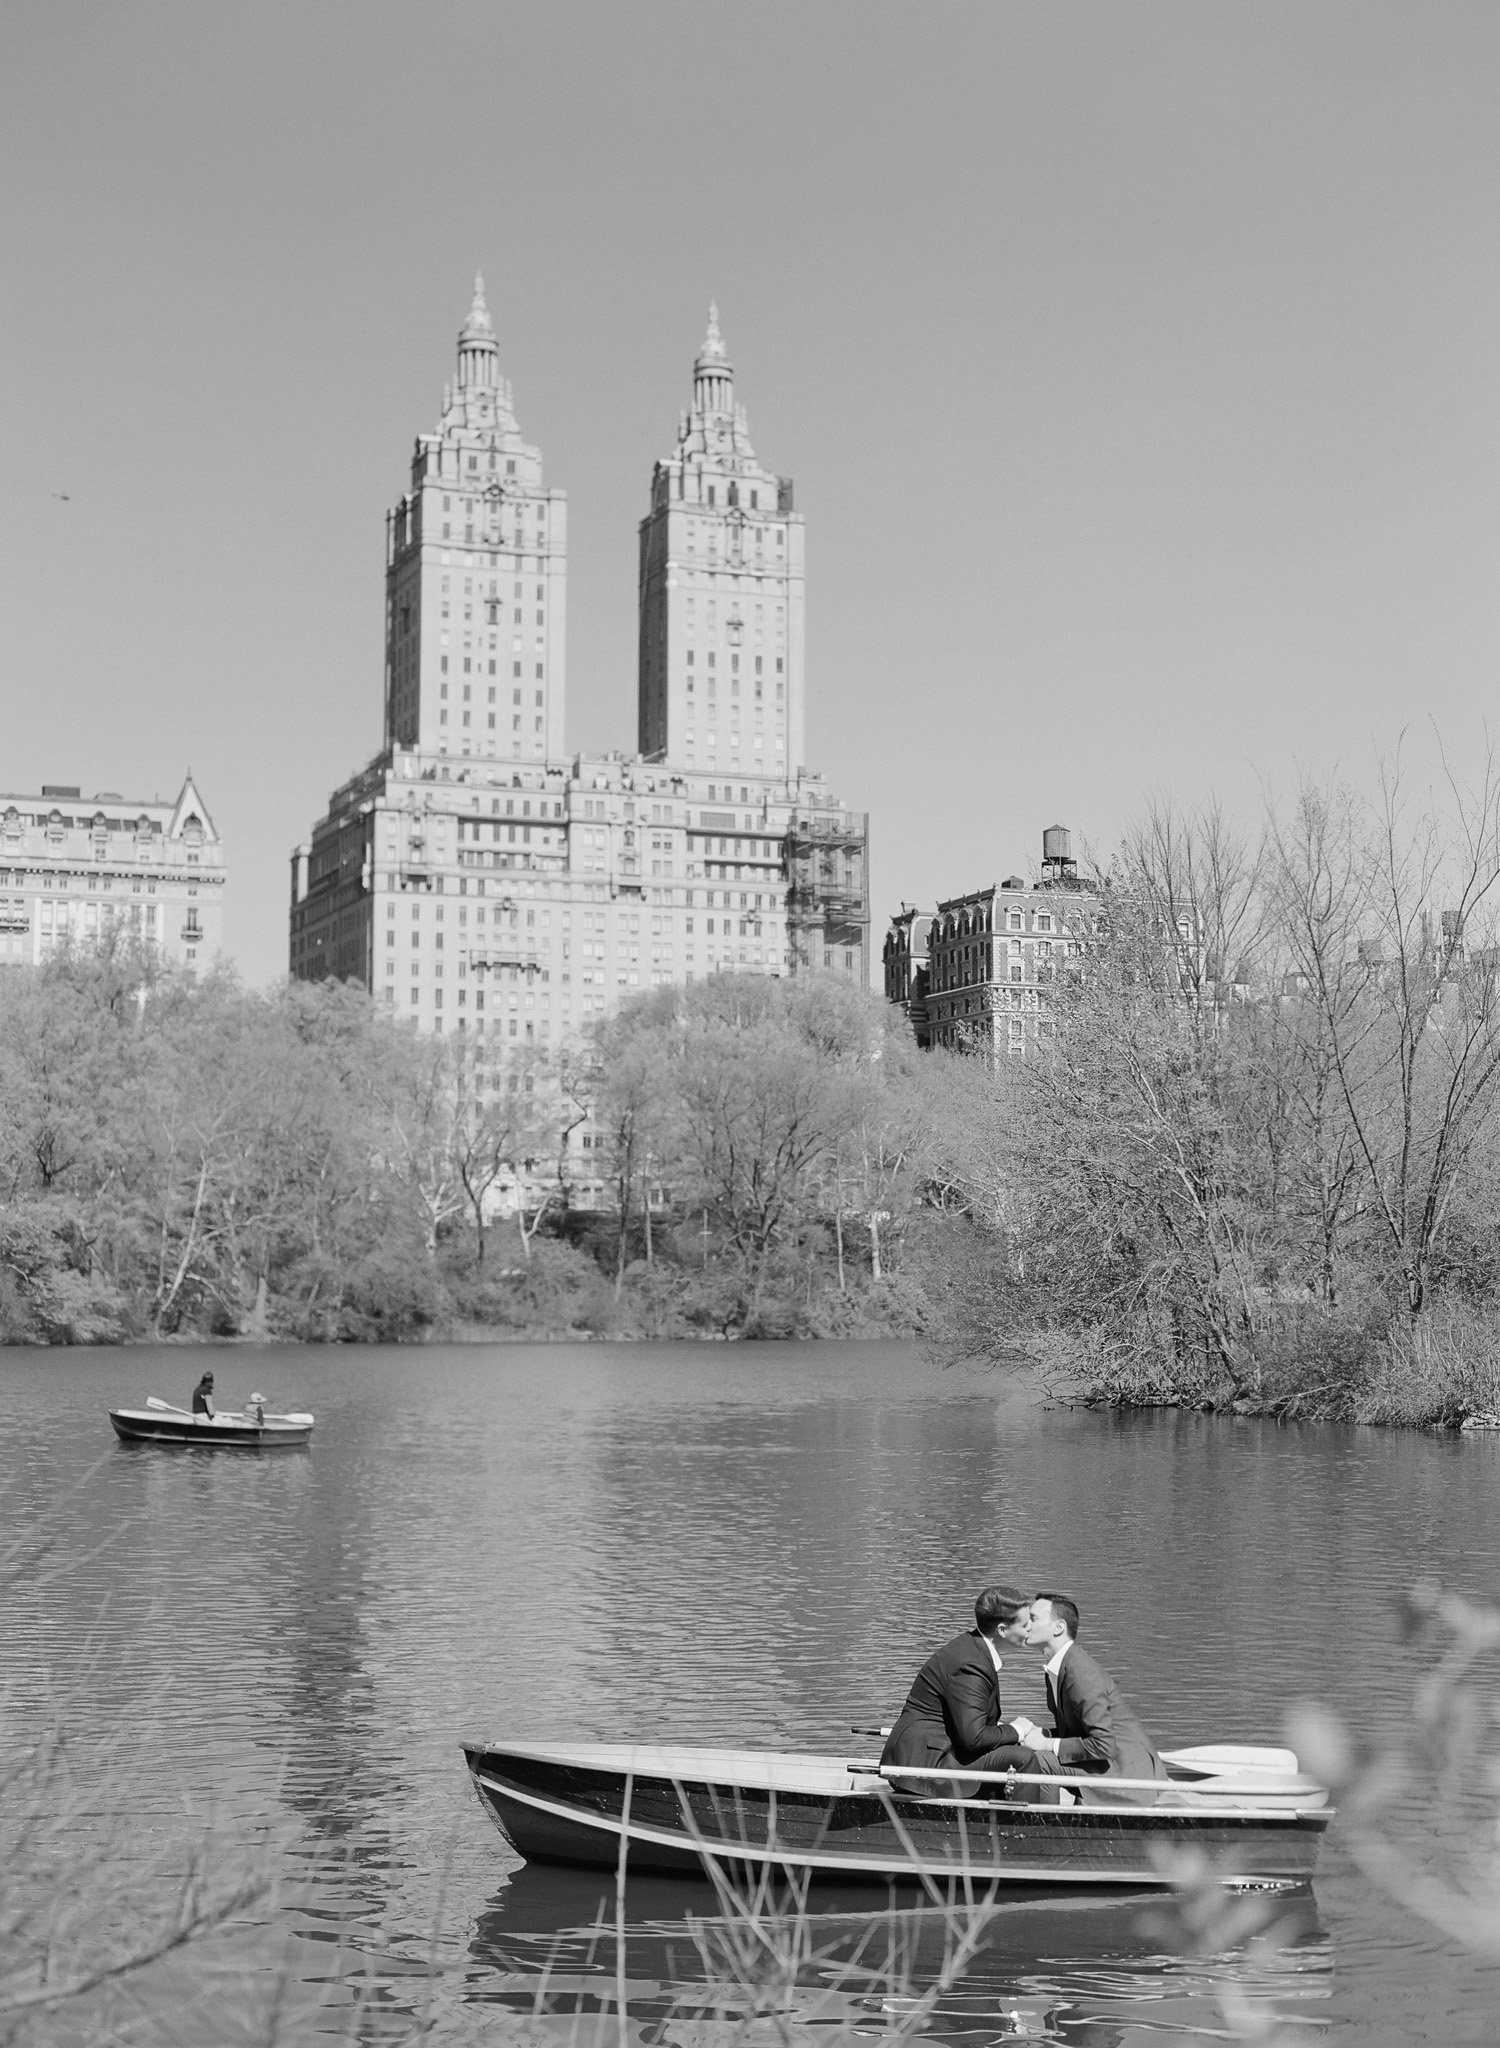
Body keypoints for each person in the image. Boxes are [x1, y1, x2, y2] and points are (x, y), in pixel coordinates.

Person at [1009, 1593, 1169, 1799]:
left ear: (1059, 1627)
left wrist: (1047, 1744)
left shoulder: (1080, 1672)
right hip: (1111, 1762)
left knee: (1038, 1763)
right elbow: (1079, 1731)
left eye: (1033, 1618)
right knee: (1027, 1752)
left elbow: (1103, 1745)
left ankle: (1041, 1826)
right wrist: (1038, 1733)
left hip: (1127, 1774)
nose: (1025, 1624)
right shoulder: (1059, 1666)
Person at [880, 1586, 1033, 1777]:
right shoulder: (971, 1664)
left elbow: (970, 1723)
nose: (1030, 1628)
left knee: (1020, 1752)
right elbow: (975, 1738)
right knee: (1025, 1759)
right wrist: (1018, 1730)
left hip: (931, 1752)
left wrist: (1009, 1732)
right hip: (925, 1764)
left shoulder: (972, 1649)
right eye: (1025, 1624)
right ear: (1002, 1630)